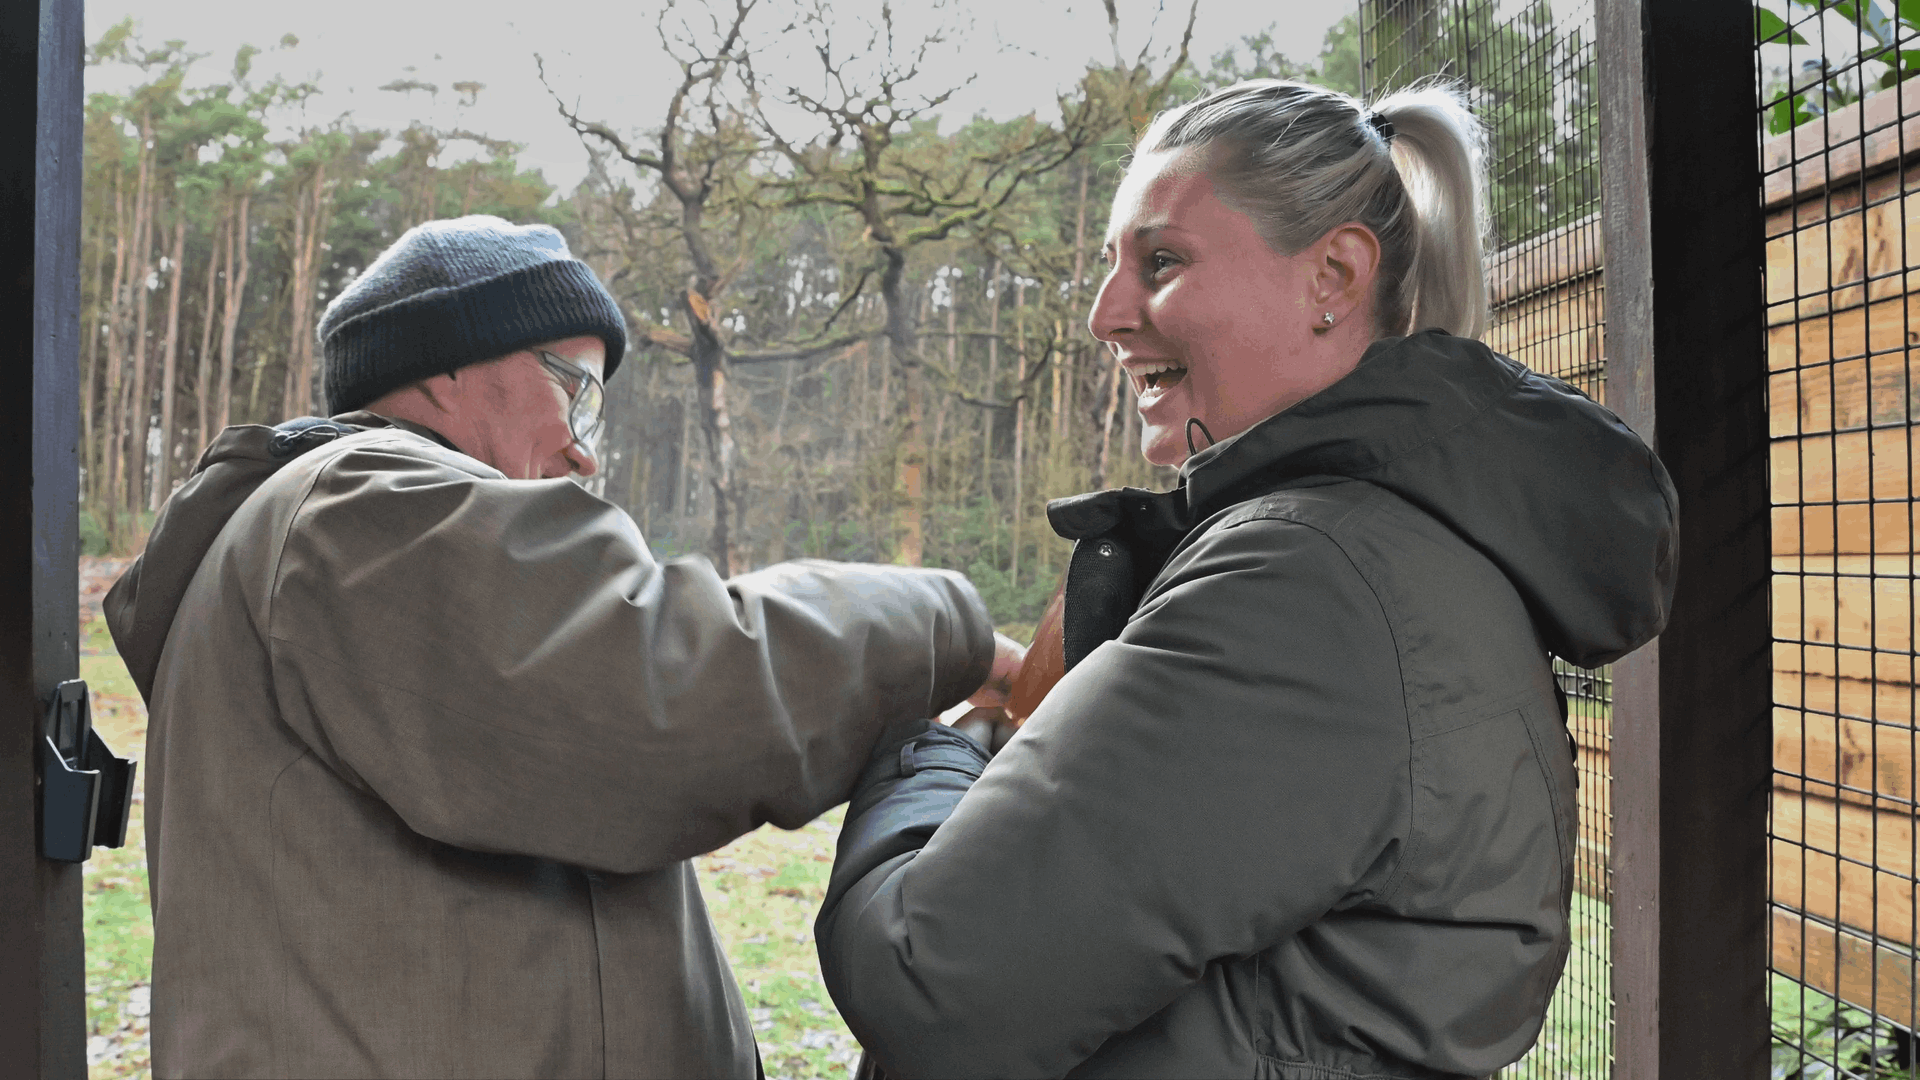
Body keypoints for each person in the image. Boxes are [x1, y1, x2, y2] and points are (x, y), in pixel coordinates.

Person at [815, 81, 1677, 1078]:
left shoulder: (1305, 587)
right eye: (1110, 267)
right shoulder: (1394, 547)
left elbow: (925, 978)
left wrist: (926, 738)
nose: (1105, 314)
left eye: (1163, 261)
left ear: (1334, 276)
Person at [103, 214, 1018, 1079]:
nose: (585, 452)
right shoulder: (366, 511)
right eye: (572, 389)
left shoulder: (327, 534)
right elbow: (666, 692)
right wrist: (951, 633)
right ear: (446, 368)